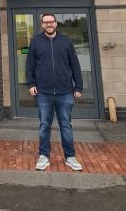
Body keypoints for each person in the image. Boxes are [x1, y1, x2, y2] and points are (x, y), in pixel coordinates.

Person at [25, 12, 84, 171]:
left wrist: (78, 86)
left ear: (56, 23)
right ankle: (44, 156)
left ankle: (70, 157)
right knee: (44, 125)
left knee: (66, 125)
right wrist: (31, 84)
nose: (49, 24)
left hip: (65, 92)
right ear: (42, 24)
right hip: (43, 92)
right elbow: (30, 65)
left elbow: (75, 65)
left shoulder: (65, 41)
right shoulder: (36, 42)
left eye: (51, 22)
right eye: (45, 22)